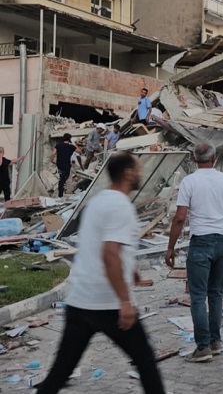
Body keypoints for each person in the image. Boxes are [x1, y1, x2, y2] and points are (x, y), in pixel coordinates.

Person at [37, 152, 166, 394]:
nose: (141, 173)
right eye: (137, 169)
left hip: (79, 300)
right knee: (146, 363)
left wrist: (131, 270)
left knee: (60, 372)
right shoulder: (121, 206)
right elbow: (109, 254)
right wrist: (125, 301)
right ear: (128, 173)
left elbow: (99, 246)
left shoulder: (97, 201)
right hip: (108, 304)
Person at [165, 143, 223, 363]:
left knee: (198, 296)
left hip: (201, 242)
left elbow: (180, 217)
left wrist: (170, 247)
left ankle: (202, 347)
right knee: (216, 293)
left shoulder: (189, 182)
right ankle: (215, 341)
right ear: (215, 158)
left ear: (192, 158)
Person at [51, 134, 77, 198]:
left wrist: (51, 160)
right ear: (69, 139)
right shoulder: (71, 147)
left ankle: (61, 192)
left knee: (61, 177)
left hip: (59, 164)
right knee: (64, 178)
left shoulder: (58, 145)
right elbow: (79, 151)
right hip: (66, 164)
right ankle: (60, 194)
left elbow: (53, 153)